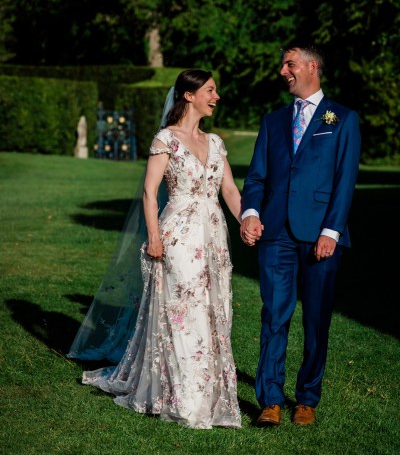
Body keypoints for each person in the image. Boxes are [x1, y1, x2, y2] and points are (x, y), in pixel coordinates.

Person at [69, 69, 242, 430]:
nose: (216, 96)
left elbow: (229, 191)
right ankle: (182, 398)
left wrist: (247, 221)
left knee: (215, 311)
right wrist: (154, 237)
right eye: (210, 90)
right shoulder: (166, 139)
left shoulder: (216, 142)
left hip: (213, 238)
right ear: (189, 95)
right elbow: (150, 192)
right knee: (183, 312)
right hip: (178, 236)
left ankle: (209, 396)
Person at [240, 42, 361, 427]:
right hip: (275, 234)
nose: (283, 71)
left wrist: (331, 229)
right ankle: (270, 400)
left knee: (316, 320)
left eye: (289, 64)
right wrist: (251, 212)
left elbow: (345, 182)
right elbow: (257, 176)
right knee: (273, 316)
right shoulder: (273, 121)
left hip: (320, 237)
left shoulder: (342, 119)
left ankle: (307, 397)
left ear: (311, 67)